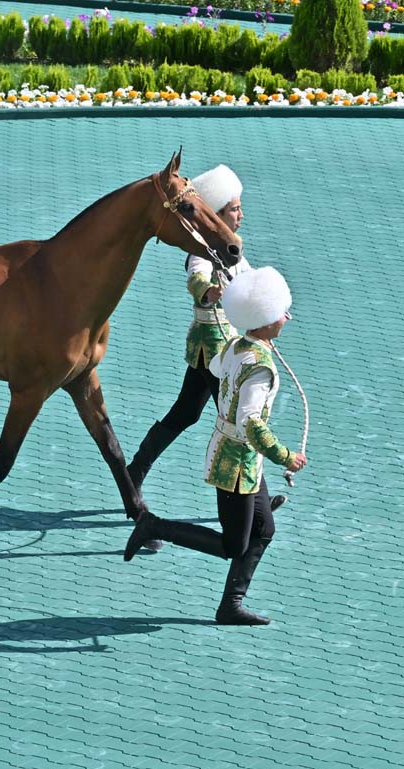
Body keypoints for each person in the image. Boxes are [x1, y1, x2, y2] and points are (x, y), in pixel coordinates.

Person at [124, 266, 308, 625]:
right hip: (236, 463)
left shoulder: (235, 346)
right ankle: (154, 527)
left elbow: (220, 372)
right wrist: (286, 457)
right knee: (233, 545)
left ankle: (231, 605)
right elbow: (252, 425)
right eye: (281, 312)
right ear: (265, 319)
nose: (286, 318)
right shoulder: (260, 369)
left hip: (239, 458)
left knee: (264, 530)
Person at [126, 164, 286, 543]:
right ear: (215, 214)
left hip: (222, 352)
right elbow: (197, 279)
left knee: (186, 413)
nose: (241, 215)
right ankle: (256, 502)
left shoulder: (231, 252)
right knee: (241, 422)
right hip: (214, 352)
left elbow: (249, 283)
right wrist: (209, 291)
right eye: (234, 209)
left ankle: (134, 472)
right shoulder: (202, 254)